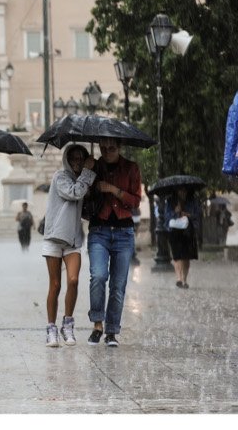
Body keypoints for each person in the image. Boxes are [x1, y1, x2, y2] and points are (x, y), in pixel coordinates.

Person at [86, 137, 142, 347]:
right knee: (98, 276)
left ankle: (112, 331)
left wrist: (114, 190)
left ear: (119, 148)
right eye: (103, 148)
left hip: (123, 232)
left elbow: (136, 201)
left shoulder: (131, 168)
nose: (106, 152)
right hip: (99, 230)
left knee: (118, 285)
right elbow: (84, 195)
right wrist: (88, 172)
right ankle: (97, 324)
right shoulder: (94, 167)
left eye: (111, 148)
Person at [41, 145, 96, 347]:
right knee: (55, 285)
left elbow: (84, 208)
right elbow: (73, 193)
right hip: (54, 237)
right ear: (66, 159)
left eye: (81, 158)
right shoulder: (59, 177)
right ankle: (51, 329)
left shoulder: (85, 180)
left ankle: (68, 324)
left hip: (72, 239)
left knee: (73, 280)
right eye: (73, 158)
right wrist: (88, 174)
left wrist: (89, 194)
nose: (77, 162)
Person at [164, 186, 201, 289]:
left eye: (184, 189)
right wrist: (175, 212)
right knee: (177, 255)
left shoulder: (192, 200)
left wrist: (188, 215)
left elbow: (197, 214)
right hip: (174, 231)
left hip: (188, 231)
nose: (182, 192)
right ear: (176, 190)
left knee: (186, 256)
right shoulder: (170, 201)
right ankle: (179, 279)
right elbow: (167, 216)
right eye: (180, 189)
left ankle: (184, 279)